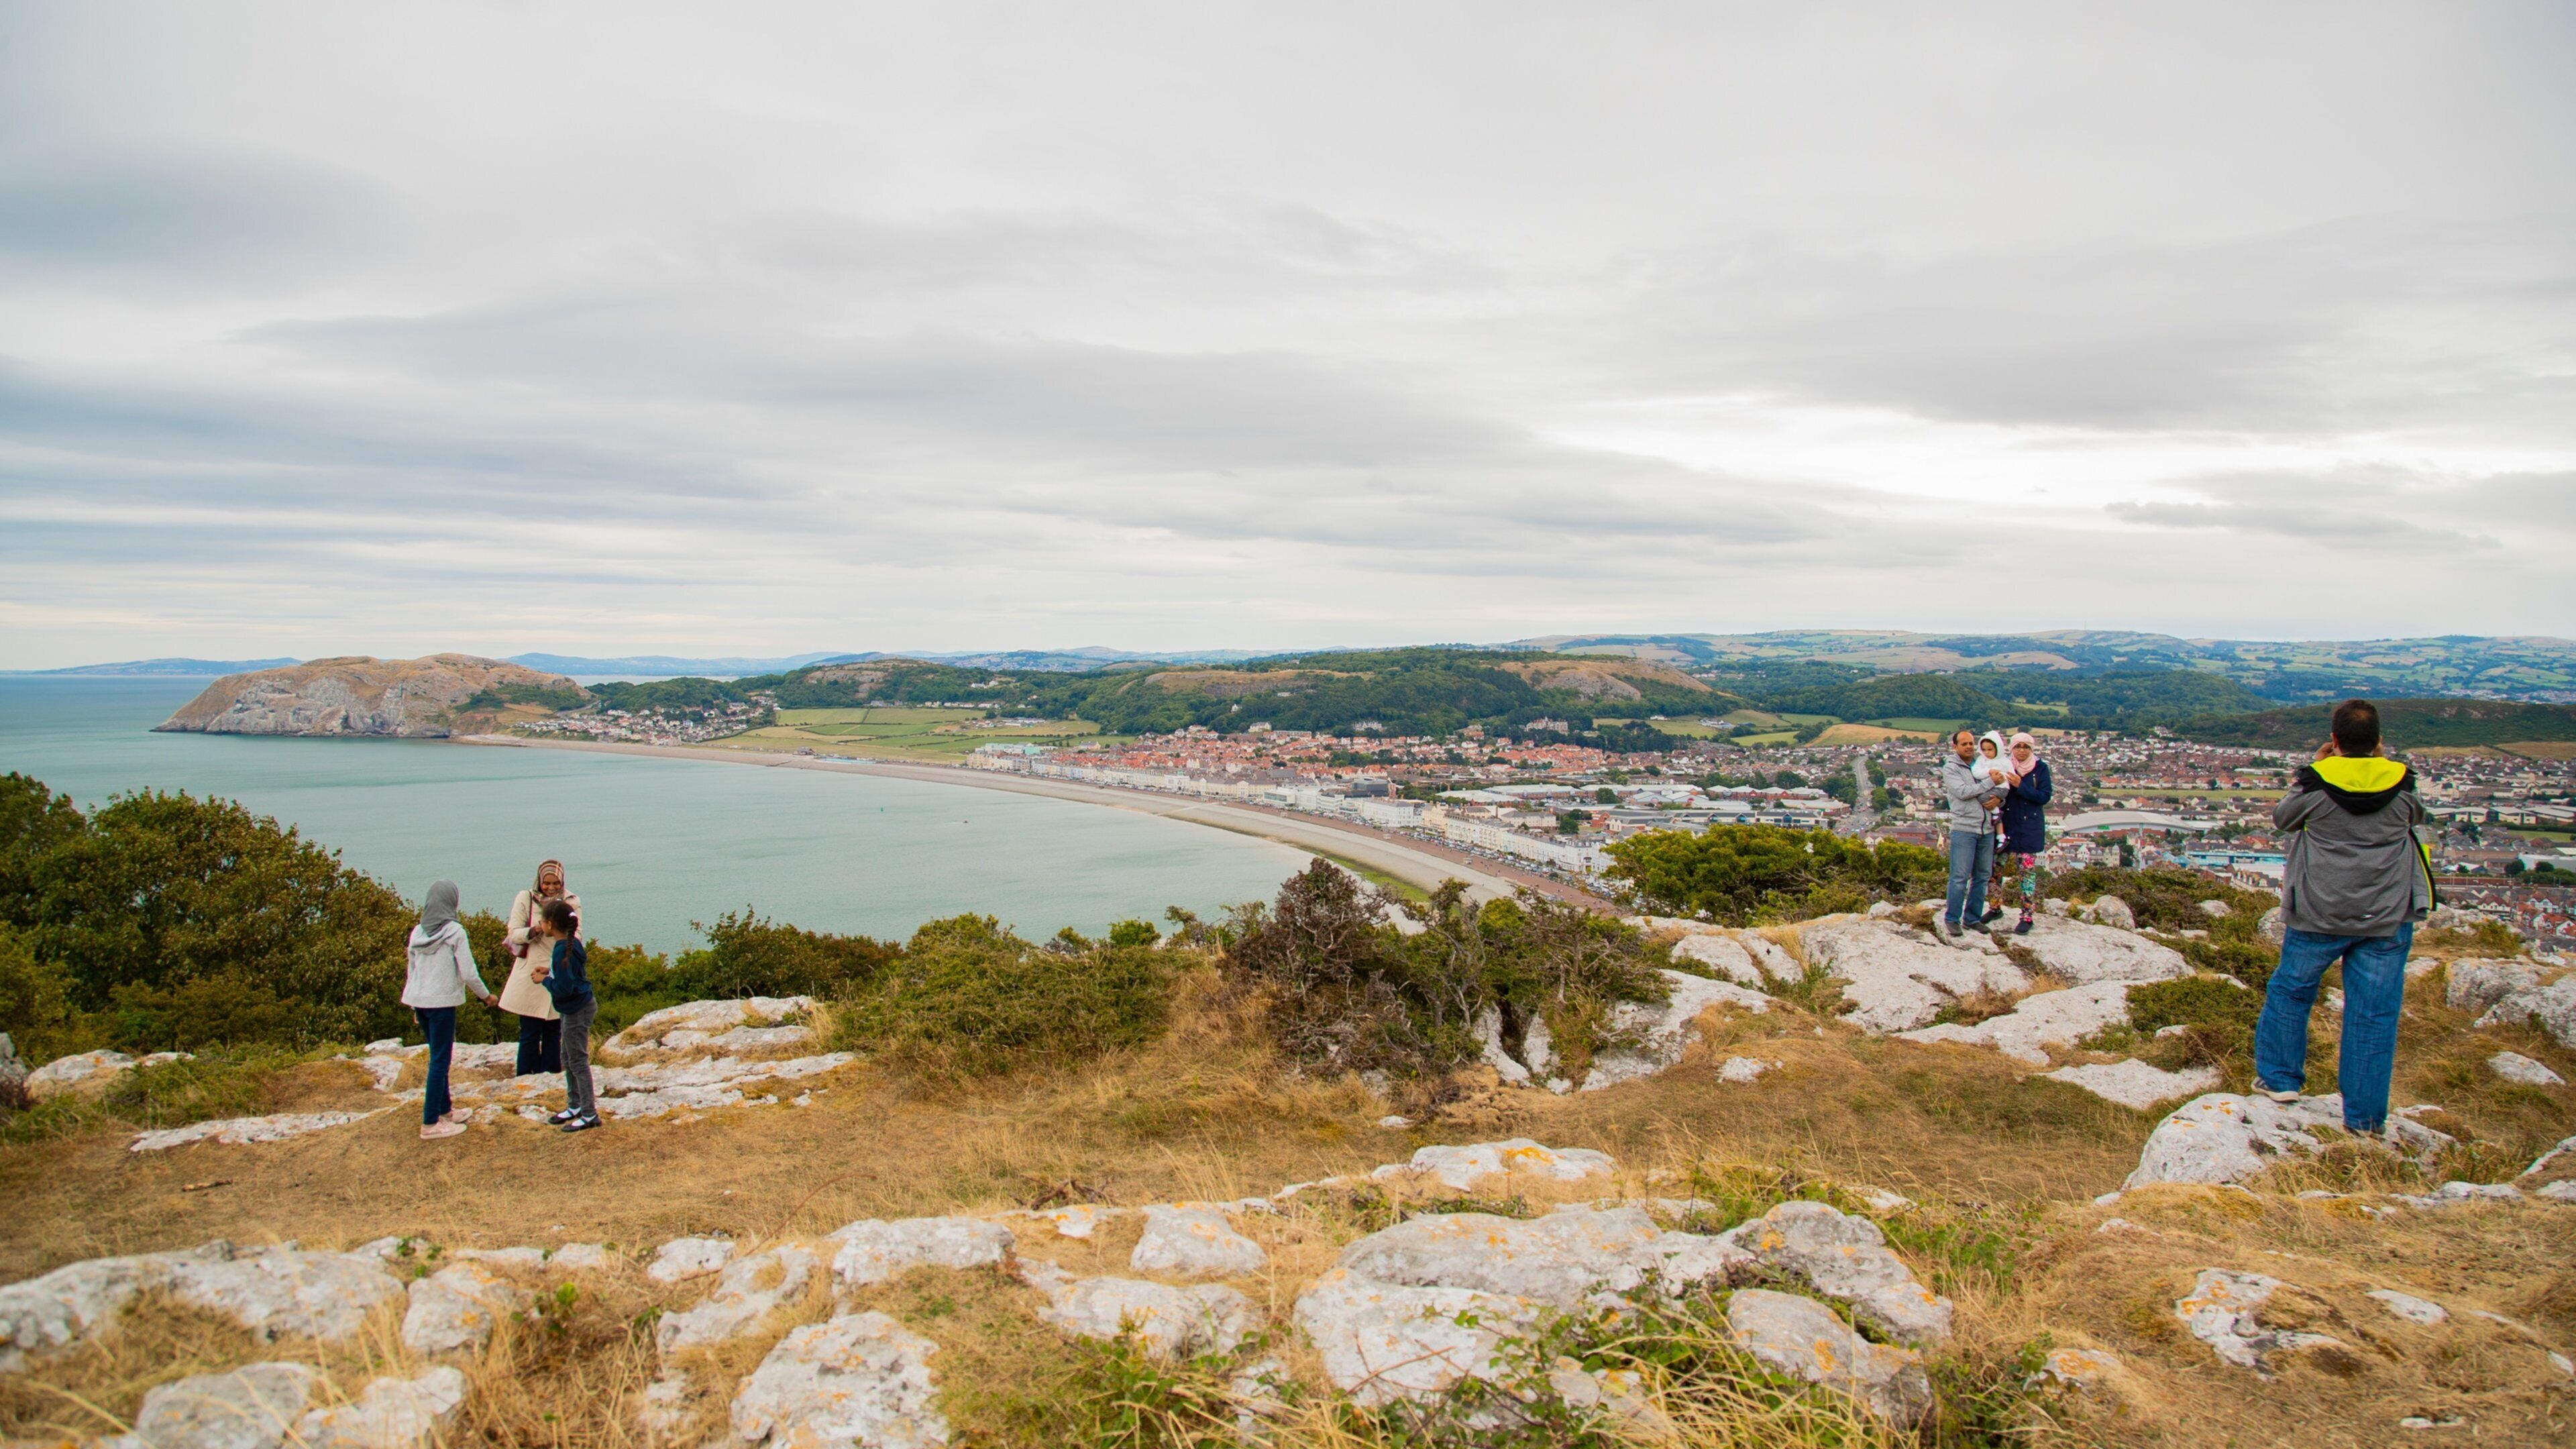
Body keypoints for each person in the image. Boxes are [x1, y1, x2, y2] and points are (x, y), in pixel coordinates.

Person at [2253, 698, 2434, 1139]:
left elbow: (2283, 818)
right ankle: (2365, 1118)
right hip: (2386, 913)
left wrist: (2317, 769)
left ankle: (2280, 1081)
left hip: (2319, 909)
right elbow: (2416, 818)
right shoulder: (2404, 783)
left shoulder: (2316, 784)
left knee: (2291, 991)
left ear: (2334, 741)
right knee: (2373, 1013)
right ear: (2378, 744)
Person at [398, 879, 494, 1141]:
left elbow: (412, 972)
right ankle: (430, 1124)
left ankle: (445, 1111)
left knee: (437, 1056)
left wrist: (413, 1007)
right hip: (441, 1004)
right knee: (440, 1061)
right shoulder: (455, 932)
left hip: (420, 1002)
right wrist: (486, 996)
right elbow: (469, 972)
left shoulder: (418, 932)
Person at [500, 860, 580, 1075]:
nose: (551, 888)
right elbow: (513, 933)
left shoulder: (571, 901)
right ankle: (525, 1079)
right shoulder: (526, 898)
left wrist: (560, 934)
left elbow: (578, 935)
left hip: (556, 969)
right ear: (539, 881)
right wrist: (536, 929)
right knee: (529, 1032)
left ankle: (550, 1078)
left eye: (556, 883)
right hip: (531, 973)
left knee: (554, 1032)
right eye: (547, 883)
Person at [532, 898, 600, 1133]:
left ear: (550, 924)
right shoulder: (570, 944)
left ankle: (590, 1113)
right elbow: (569, 973)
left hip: (576, 1010)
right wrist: (550, 972)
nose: (540, 923)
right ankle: (575, 1105)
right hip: (576, 1007)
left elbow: (563, 987)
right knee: (567, 1057)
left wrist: (545, 980)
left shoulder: (562, 949)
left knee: (578, 1061)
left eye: (541, 920)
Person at [1937, 729, 2006, 943]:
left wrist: (1999, 801)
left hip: (1987, 829)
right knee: (1959, 877)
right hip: (1965, 828)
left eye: (1971, 743)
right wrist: (1990, 783)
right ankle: (1952, 919)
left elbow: (1997, 792)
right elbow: (1963, 792)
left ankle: (1972, 918)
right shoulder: (1951, 768)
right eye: (1964, 744)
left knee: (1982, 876)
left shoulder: (1980, 764)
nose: (1969, 747)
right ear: (1955, 746)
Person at [1997, 732, 2053, 934]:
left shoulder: (2041, 769)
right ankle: (1995, 907)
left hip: (2030, 827)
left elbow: (2044, 796)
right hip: (2006, 827)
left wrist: (2021, 786)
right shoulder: (2005, 766)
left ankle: (2027, 916)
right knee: (1995, 869)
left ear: (2032, 749)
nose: (2022, 750)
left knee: (2027, 874)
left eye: (2026, 747)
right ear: (2012, 748)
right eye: (2018, 746)